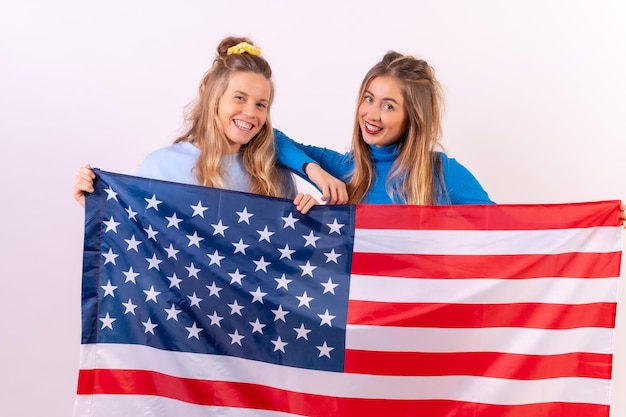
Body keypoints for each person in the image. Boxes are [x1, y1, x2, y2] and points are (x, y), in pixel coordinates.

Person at [273, 50, 626, 225]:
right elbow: (269, 137)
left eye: (389, 106)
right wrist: (315, 172)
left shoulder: (440, 173)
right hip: (353, 328)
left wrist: (594, 219)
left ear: (413, 116)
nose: (371, 114)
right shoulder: (344, 168)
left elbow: (508, 228)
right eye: (368, 99)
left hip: (418, 332)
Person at [74, 36, 332, 214]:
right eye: (240, 98)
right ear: (214, 97)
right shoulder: (160, 166)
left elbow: (286, 261)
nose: (250, 112)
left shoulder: (273, 174)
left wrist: (305, 218)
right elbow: (138, 237)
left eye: (261, 104)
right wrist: (95, 205)